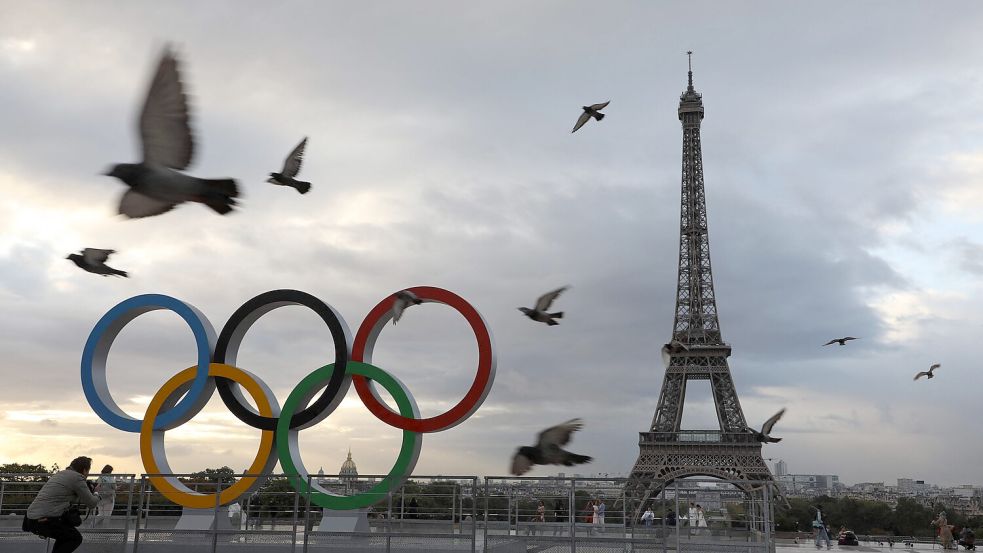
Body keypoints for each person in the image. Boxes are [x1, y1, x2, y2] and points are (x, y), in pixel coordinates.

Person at [22, 456, 101, 553]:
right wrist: (96, 493)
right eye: (88, 471)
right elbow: (92, 503)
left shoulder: (60, 474)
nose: (87, 474)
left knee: (65, 537)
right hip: (42, 520)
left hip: (31, 518)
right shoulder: (77, 477)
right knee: (75, 538)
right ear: (84, 470)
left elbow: (64, 496)